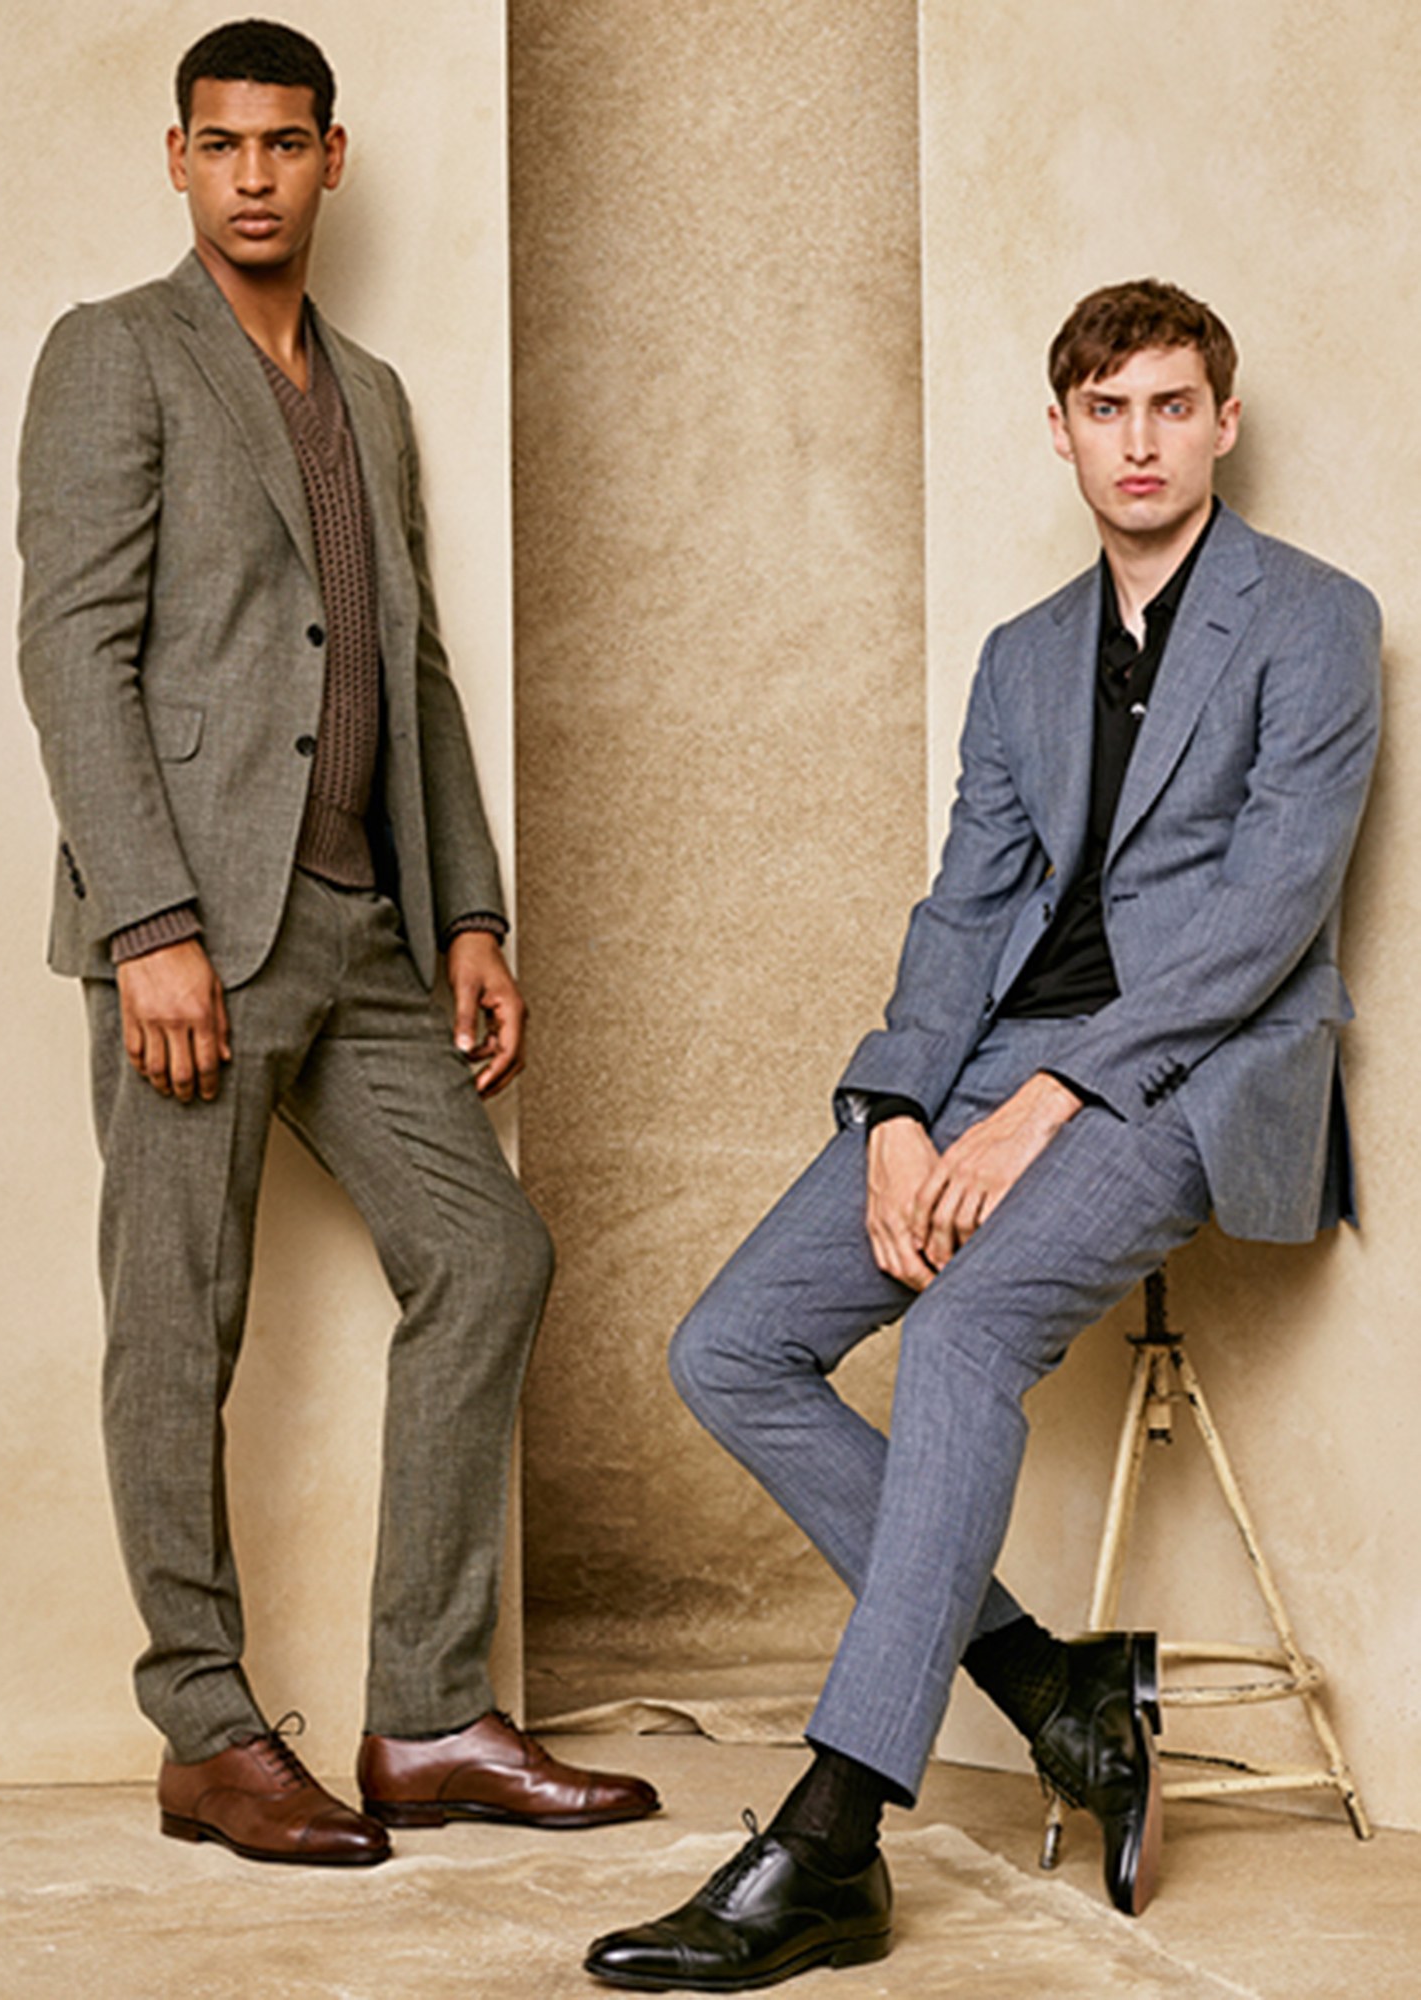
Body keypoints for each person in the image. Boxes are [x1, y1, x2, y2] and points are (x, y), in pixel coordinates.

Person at [584, 279, 1380, 1988]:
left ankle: (832, 1839)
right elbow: (963, 911)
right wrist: (890, 1111)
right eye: (1110, 410)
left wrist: (1052, 1095)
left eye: (1173, 406)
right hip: (989, 1062)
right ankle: (1053, 1686)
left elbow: (1269, 915)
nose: (1142, 440)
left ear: (1223, 424)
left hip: (1192, 1073)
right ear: (1064, 432)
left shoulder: (1317, 620)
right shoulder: (1024, 656)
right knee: (731, 1347)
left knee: (958, 1338)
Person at [17, 18, 657, 1869]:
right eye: (221, 144)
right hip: (192, 935)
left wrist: (469, 911)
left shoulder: (369, 394)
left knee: (491, 1254)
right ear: (178, 158)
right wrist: (149, 921)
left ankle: (428, 1713)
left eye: (283, 143)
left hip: (363, 923)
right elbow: (72, 650)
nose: (253, 175)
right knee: (179, 1321)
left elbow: (413, 669)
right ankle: (206, 1731)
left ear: (331, 157)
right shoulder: (116, 353)